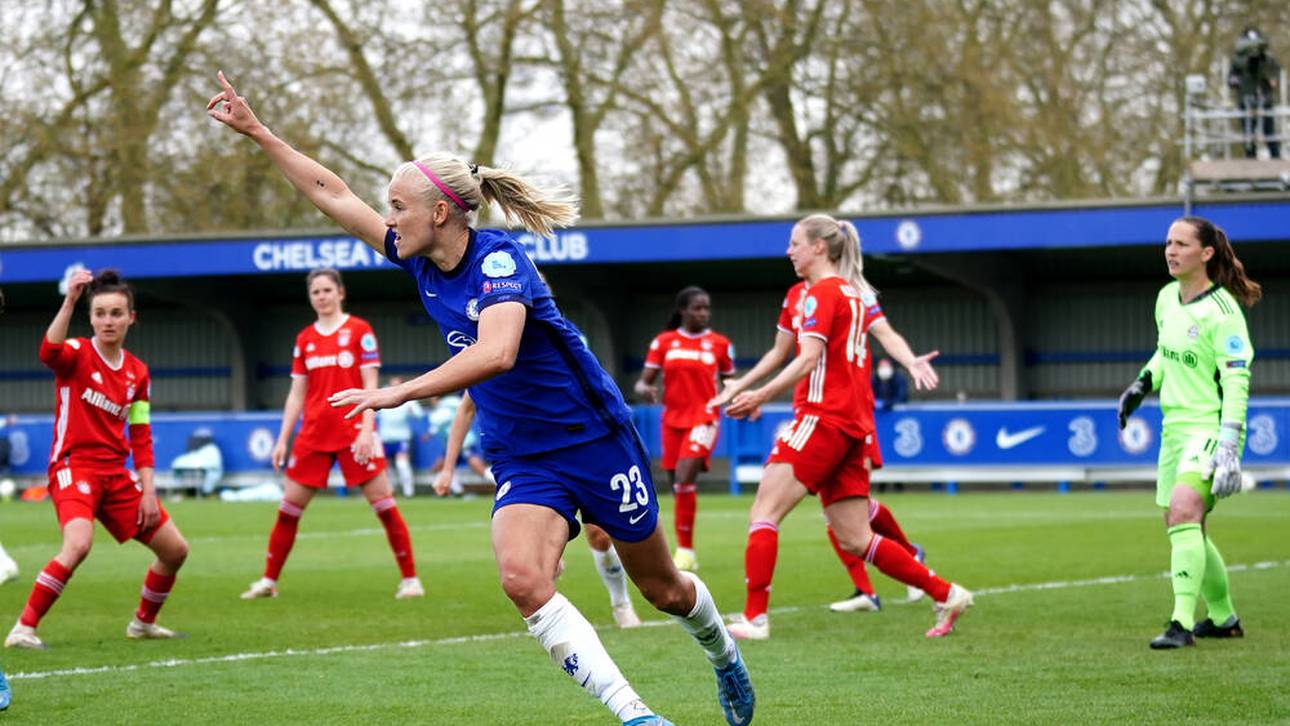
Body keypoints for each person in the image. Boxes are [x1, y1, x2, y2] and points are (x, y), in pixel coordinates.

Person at [207, 71, 752, 726]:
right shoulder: (414, 256)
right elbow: (334, 195)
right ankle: (636, 715)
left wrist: (400, 392)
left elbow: (497, 352)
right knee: (522, 579)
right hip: (523, 453)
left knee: (662, 589)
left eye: (399, 206)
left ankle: (722, 653)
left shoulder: (498, 261)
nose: (388, 217)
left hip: (594, 439)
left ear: (440, 212)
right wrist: (259, 132)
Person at [709, 213, 972, 640]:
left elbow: (809, 358)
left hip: (821, 417)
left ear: (819, 247)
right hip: (849, 426)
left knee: (764, 511)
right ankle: (946, 592)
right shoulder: (849, 294)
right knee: (854, 537)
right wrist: (746, 383)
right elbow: (783, 352)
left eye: (795, 242)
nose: (788, 250)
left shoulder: (820, 295)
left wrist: (760, 396)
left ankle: (755, 617)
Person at [5, 270, 189, 649]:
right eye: (101, 313)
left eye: (116, 313)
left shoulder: (137, 372)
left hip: (116, 475)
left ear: (131, 318)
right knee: (78, 544)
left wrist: (149, 491)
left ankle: (143, 623)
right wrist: (70, 300)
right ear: (90, 318)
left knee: (175, 551)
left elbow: (140, 433)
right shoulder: (75, 353)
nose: (108, 321)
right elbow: (47, 352)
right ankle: (23, 628)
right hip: (73, 467)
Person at [1117, 216, 1261, 650]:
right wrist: (1141, 384)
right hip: (1173, 431)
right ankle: (1224, 617)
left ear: (1206, 253)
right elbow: (1165, 353)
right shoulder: (1166, 298)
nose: (1170, 251)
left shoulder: (1224, 312)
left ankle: (1180, 622)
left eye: (1181, 243)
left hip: (1209, 428)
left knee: (1183, 510)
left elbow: (1237, 379)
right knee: (1184, 525)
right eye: (1167, 243)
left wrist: (1230, 445)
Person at [239, 267, 423, 601]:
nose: (321, 297)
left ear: (340, 293)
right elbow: (297, 393)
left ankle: (411, 580)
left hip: (354, 431)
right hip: (313, 433)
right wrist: (283, 438)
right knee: (288, 509)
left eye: (327, 290)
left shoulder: (359, 331)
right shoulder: (305, 339)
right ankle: (268, 581)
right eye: (315, 292)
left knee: (384, 505)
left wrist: (368, 430)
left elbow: (370, 385)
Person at [436, 391, 643, 629]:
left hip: (580, 450)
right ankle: (559, 623)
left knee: (600, 536)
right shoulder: (488, 363)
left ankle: (621, 604)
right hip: (534, 465)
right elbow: (466, 408)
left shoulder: (557, 360)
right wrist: (447, 468)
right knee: (538, 567)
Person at [634, 287, 735, 573]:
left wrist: (745, 401)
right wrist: (645, 389)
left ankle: (686, 552)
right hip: (672, 420)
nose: (703, 313)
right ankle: (683, 549)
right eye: (697, 308)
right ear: (683, 310)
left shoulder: (719, 344)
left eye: (706, 308)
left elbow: (731, 382)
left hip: (704, 418)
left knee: (682, 478)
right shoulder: (664, 342)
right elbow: (643, 382)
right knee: (677, 486)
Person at [1228, 27, 1282, 159]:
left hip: (1265, 99)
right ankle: (1250, 156)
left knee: (1269, 130)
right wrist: (1237, 79)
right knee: (1248, 131)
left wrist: (1267, 76)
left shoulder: (1268, 61)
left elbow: (1273, 79)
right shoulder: (1237, 62)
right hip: (1245, 99)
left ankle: (1275, 156)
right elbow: (1231, 80)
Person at [428, 392, 491, 496]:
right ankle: (457, 490)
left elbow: (437, 420)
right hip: (455, 443)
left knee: (478, 468)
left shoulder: (445, 407)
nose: (431, 400)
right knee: (443, 466)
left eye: (433, 397)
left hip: (463, 442)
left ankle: (497, 481)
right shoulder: (453, 404)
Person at [377, 375, 426, 497]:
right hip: (385, 438)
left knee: (402, 465)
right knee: (385, 467)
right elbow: (372, 413)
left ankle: (408, 492)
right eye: (392, 384)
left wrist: (412, 409)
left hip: (401, 438)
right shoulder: (383, 396)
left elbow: (420, 414)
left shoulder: (407, 399)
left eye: (397, 385)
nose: (394, 387)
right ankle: (390, 490)